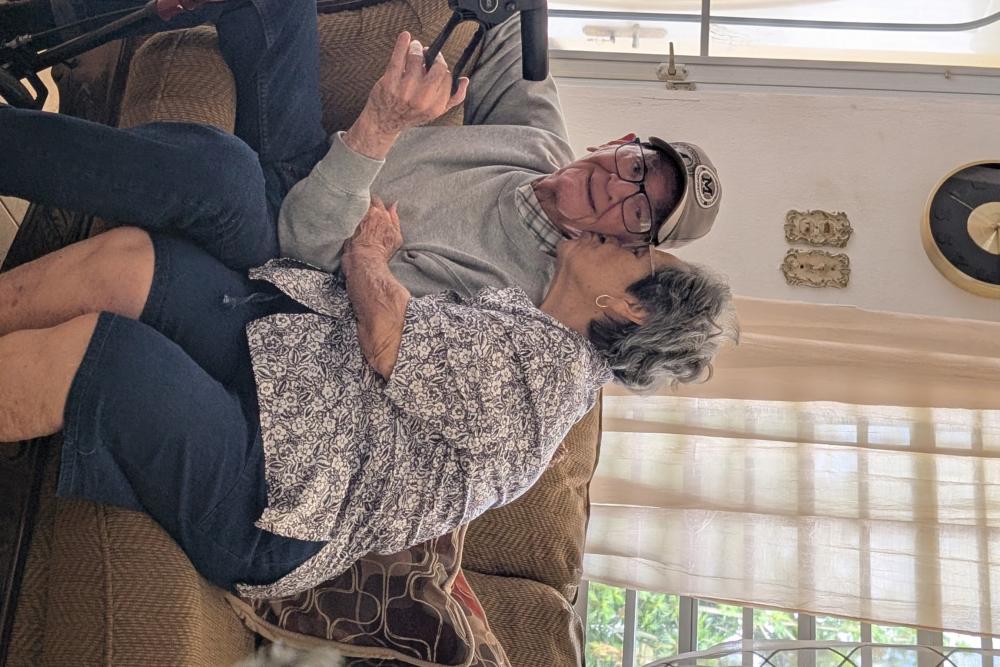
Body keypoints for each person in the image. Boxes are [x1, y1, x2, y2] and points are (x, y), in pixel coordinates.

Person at [0, 201, 736, 598]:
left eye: (636, 252)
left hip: (278, 497)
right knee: (135, 261)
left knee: (109, 361)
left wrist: (367, 252)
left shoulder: (548, 378)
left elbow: (387, 334)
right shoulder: (531, 325)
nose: (617, 235)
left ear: (629, 307)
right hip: (283, 373)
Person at [0, 0, 723, 303]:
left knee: (222, 171)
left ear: (628, 242)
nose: (619, 189)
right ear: (621, 143)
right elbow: (509, 34)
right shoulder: (538, 142)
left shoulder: (511, 289)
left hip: (288, 248)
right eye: (638, 168)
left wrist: (380, 126)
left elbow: (314, 248)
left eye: (640, 211)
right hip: (306, 160)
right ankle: (35, 24)